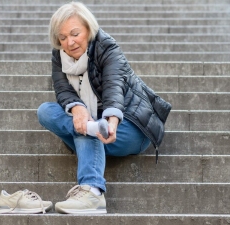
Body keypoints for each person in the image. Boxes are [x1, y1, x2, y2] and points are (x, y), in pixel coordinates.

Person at [37, 1, 172, 214]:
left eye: (74, 34)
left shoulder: (107, 47)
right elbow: (63, 91)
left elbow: (113, 87)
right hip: (95, 120)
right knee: (46, 111)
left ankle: (92, 192)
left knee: (86, 129)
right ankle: (91, 129)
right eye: (62, 38)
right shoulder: (59, 56)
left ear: (89, 29)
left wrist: (111, 121)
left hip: (130, 126)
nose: (69, 42)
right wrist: (77, 109)